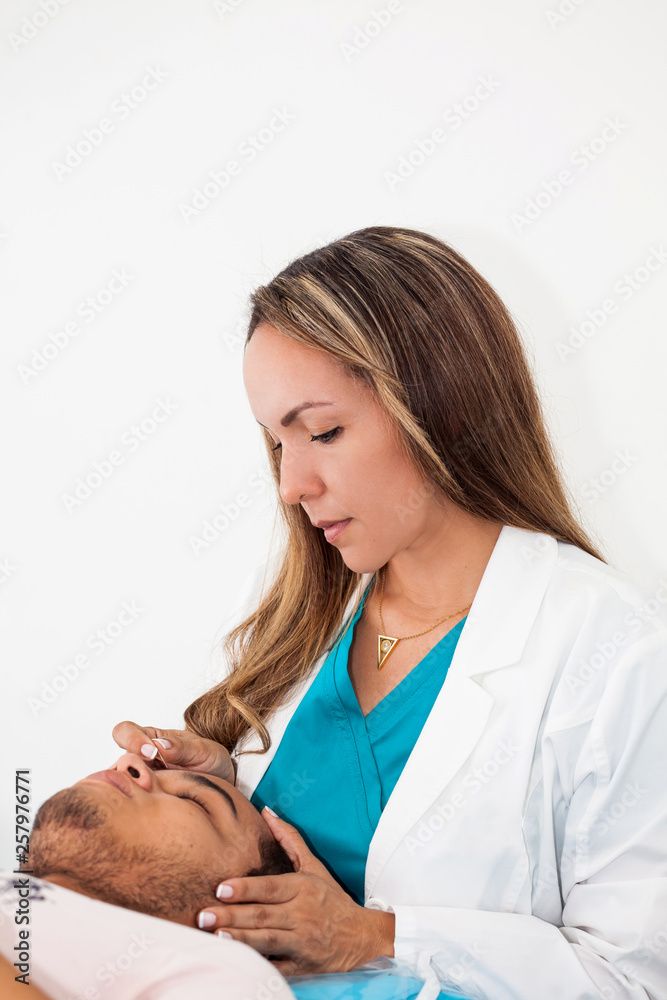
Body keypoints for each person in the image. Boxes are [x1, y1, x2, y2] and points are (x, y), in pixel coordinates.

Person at [114, 226, 667, 999]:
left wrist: (376, 938)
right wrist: (223, 789)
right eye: (278, 444)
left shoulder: (614, 651)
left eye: (323, 432)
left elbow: (633, 980)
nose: (292, 485)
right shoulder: (301, 613)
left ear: (441, 405)